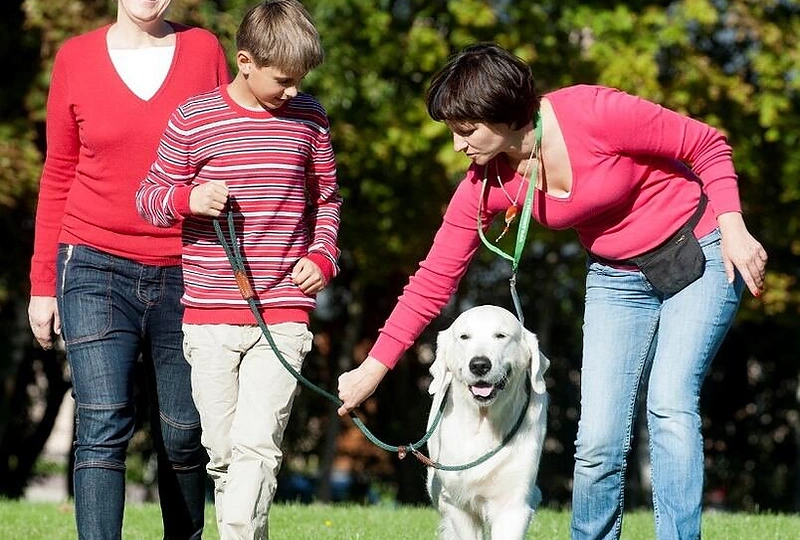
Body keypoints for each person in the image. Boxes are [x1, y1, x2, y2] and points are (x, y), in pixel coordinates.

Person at [336, 43, 767, 540]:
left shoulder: (594, 113)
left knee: (669, 403)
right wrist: (373, 369)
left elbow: (706, 143)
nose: (458, 146)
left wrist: (733, 225)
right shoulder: (487, 182)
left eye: (466, 131)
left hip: (702, 248)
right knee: (599, 437)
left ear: (504, 112)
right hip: (617, 275)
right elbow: (433, 279)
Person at [136, 1, 341, 538]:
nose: (294, 91)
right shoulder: (194, 119)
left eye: (301, 80)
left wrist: (322, 256)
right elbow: (148, 196)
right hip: (208, 316)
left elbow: (328, 200)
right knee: (223, 453)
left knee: (257, 445)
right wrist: (188, 200)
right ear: (245, 61)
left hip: (282, 311)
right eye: (284, 80)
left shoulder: (310, 117)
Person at [27, 1, 230, 538]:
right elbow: (58, 174)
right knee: (102, 421)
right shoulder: (75, 59)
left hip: (188, 269)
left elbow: (228, 150)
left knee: (185, 433)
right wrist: (42, 285)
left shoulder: (205, 51)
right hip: (92, 263)